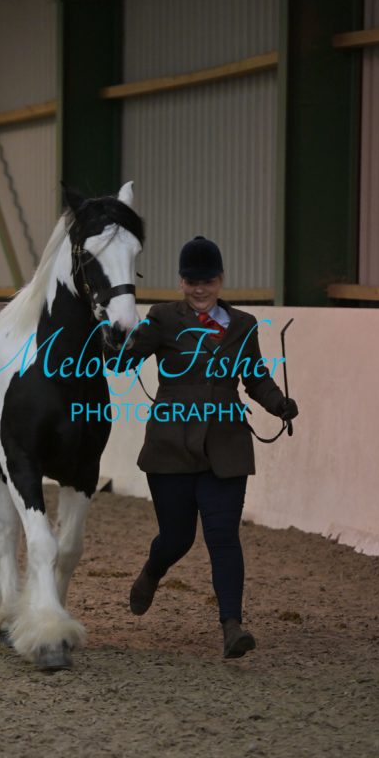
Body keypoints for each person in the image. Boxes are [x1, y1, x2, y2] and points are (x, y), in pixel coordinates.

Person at [119, 235, 298, 658]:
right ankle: (153, 570)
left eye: (208, 281)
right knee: (177, 538)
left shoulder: (243, 325)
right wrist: (116, 338)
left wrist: (279, 404)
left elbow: (255, 377)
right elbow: (125, 359)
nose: (200, 289)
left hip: (226, 446)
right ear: (180, 281)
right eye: (191, 281)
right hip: (171, 447)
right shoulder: (162, 318)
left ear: (221, 280)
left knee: (223, 537)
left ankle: (232, 626)